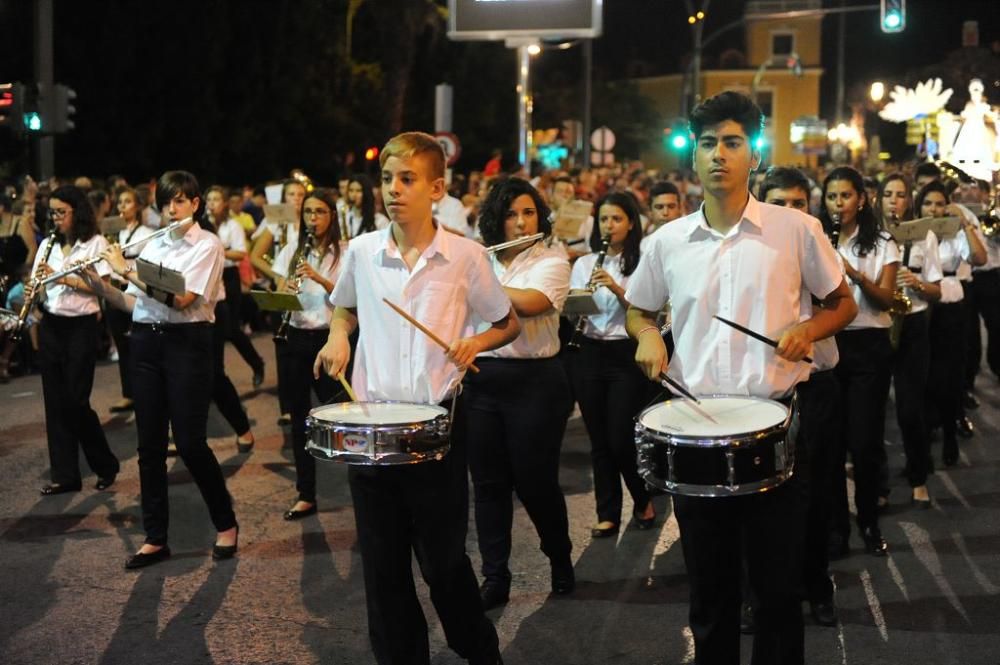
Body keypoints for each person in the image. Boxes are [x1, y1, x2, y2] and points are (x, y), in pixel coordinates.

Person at [624, 91, 856, 665]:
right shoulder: (667, 242)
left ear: (753, 153)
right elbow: (639, 310)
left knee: (778, 594)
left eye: (732, 142)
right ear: (694, 157)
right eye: (707, 144)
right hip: (697, 428)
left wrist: (809, 328)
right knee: (710, 592)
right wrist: (649, 335)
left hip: (775, 428)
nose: (719, 154)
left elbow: (843, 302)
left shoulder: (795, 229)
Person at [314, 132, 518, 665]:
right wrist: (338, 335)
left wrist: (477, 341)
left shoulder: (466, 257)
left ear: (436, 188)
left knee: (444, 562)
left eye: (407, 180)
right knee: (382, 568)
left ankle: (478, 649)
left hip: (437, 427)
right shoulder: (361, 251)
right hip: (373, 428)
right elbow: (344, 309)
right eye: (387, 179)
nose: (393, 190)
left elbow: (508, 322)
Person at [99, 170, 238, 569]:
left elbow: (180, 299)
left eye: (179, 201)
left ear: (195, 204)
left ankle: (226, 523)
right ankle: (156, 537)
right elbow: (134, 303)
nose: (171, 209)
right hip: (145, 341)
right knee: (149, 446)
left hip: (187, 344)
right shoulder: (153, 243)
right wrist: (100, 284)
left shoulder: (207, 245)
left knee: (191, 443)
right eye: (165, 202)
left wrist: (127, 270)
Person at [465, 177, 574, 611]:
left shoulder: (552, 258)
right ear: (497, 218)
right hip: (482, 377)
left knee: (535, 482)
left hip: (536, 381)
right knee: (488, 485)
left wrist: (468, 279)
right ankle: (495, 576)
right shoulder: (480, 259)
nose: (520, 221)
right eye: (511, 213)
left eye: (529, 212)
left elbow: (530, 303)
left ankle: (560, 556)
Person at [755, 166, 844, 627]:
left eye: (798, 204)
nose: (790, 212)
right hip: (765, 391)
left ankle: (817, 584)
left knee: (817, 493)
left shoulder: (816, 245)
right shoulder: (752, 251)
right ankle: (760, 593)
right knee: (758, 499)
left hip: (816, 385)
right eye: (779, 204)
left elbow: (841, 304)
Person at [820, 166, 899, 559]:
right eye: (832, 197)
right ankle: (837, 529)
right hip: (831, 345)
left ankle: (868, 518)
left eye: (846, 196)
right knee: (831, 446)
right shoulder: (816, 239)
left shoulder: (882, 242)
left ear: (861, 199)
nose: (838, 204)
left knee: (864, 441)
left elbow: (886, 300)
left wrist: (851, 273)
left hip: (869, 344)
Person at [569, 191, 655, 538]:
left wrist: (617, 289)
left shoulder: (641, 261)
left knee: (621, 438)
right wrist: (581, 298)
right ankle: (608, 513)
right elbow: (574, 307)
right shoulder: (584, 263)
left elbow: (647, 306)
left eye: (617, 219)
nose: (609, 225)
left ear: (630, 223)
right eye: (604, 219)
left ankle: (642, 497)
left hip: (624, 353)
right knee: (598, 439)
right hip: (589, 350)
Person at [30, 185, 122, 496]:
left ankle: (105, 463)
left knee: (76, 400)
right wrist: (36, 294)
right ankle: (65, 475)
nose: (55, 218)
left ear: (76, 212)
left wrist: (61, 275)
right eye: (51, 212)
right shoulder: (48, 245)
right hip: (52, 324)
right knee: (55, 402)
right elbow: (38, 284)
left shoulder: (95, 244)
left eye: (61, 212)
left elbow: (103, 289)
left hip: (82, 326)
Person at [273, 188, 347, 520]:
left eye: (319, 212)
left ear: (332, 216)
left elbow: (350, 295)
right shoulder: (292, 250)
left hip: (330, 340)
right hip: (295, 339)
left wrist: (319, 277)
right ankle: (306, 493)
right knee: (299, 419)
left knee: (343, 414)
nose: (312, 219)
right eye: (308, 213)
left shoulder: (344, 253)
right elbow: (276, 291)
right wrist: (284, 289)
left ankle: (363, 482)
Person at [877, 173, 942, 507]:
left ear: (909, 200)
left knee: (909, 409)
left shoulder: (923, 236)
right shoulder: (870, 234)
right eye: (887, 193)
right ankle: (880, 485)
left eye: (900, 194)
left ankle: (918, 477)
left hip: (912, 324)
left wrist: (915, 283)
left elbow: (937, 291)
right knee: (873, 413)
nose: (893, 200)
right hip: (878, 323)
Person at [917, 180, 986, 466]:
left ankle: (950, 431)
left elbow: (979, 258)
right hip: (922, 307)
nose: (934, 209)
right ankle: (928, 430)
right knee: (926, 374)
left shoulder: (955, 232)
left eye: (939, 203)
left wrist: (965, 224)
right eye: (928, 203)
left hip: (951, 306)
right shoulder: (915, 232)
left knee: (951, 374)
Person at [251, 179, 306, 425]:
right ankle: (287, 406)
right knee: (284, 351)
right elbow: (254, 256)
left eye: (300, 194)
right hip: (283, 290)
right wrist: (277, 275)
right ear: (284, 198)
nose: (296, 198)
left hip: (308, 291)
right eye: (292, 194)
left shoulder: (311, 220)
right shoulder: (276, 222)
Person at [205, 185, 265, 387]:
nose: (211, 204)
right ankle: (215, 377)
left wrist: (219, 249)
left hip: (229, 276)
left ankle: (256, 363)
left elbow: (240, 254)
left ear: (225, 203)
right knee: (213, 327)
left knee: (230, 328)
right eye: (209, 199)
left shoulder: (233, 225)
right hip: (209, 276)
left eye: (216, 199)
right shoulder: (203, 224)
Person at [105, 187, 157, 413]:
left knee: (139, 342)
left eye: (127, 202)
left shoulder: (145, 232)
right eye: (120, 202)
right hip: (115, 289)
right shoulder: (113, 233)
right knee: (121, 344)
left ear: (137, 206)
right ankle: (129, 393)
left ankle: (146, 391)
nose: (122, 206)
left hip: (135, 289)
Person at [344, 173, 390, 238]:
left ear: (366, 193)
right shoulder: (345, 217)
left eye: (358, 191)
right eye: (351, 190)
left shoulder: (380, 221)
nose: (354, 195)